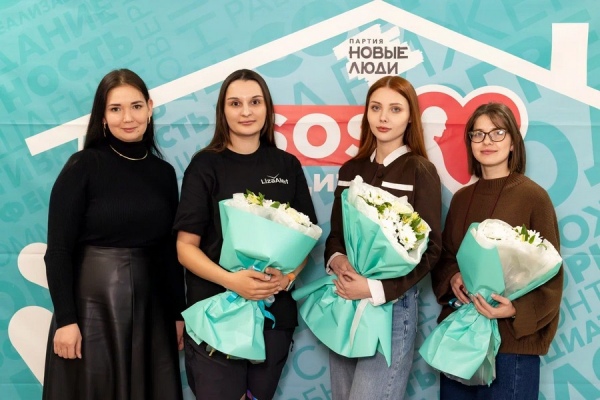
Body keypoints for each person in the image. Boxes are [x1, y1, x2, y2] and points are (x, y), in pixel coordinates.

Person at [173, 68, 317, 400]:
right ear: (222, 111)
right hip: (215, 315)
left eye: (255, 102)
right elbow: (185, 248)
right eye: (235, 103)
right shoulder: (205, 166)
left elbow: (306, 238)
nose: (246, 111)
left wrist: (287, 279)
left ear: (267, 108)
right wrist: (232, 281)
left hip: (273, 317)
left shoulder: (287, 165)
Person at [43, 69, 185, 400]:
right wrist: (66, 320)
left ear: (150, 107)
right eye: (116, 109)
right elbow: (58, 251)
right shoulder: (82, 166)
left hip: (153, 311)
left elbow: (168, 251)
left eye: (136, 106)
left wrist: (178, 314)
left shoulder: (164, 173)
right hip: (91, 311)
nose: (128, 118)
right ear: (103, 116)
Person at [431, 102, 563, 399]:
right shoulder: (461, 199)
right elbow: (446, 257)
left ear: (513, 142)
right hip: (461, 339)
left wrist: (516, 309)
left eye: (497, 132)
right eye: (478, 134)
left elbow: (552, 272)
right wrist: (453, 278)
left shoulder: (534, 197)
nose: (487, 141)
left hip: (511, 344)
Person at [324, 75, 442, 400]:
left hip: (393, 307)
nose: (384, 117)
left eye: (395, 109)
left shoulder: (420, 171)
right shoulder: (350, 170)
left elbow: (432, 250)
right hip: (346, 300)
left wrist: (375, 289)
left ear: (410, 117)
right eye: (376, 108)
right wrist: (340, 263)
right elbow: (335, 237)